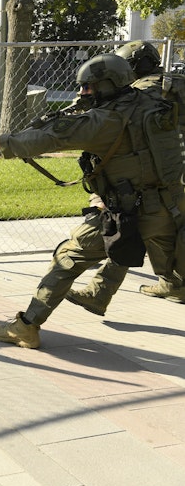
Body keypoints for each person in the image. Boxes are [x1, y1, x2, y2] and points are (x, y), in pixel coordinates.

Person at [0, 52, 185, 349]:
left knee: (67, 259)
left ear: (107, 84)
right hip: (170, 208)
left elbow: (50, 138)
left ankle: (26, 327)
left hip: (127, 212)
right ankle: (122, 291)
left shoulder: (104, 120)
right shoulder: (151, 103)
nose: (81, 93)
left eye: (87, 87)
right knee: (175, 268)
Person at [66, 40, 167, 311]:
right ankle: (173, 284)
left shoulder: (137, 94)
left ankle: (100, 294)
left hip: (152, 176)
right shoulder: (173, 85)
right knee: (155, 231)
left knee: (129, 231)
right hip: (169, 173)